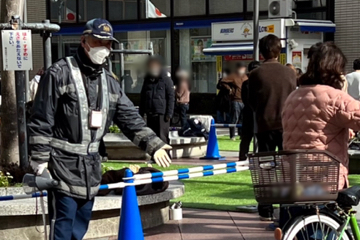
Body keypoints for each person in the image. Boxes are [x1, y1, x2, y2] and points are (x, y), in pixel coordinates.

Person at [28, 18, 172, 240]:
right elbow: (41, 119)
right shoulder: (59, 73)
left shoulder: (110, 82)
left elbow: (129, 118)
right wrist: (40, 162)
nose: (103, 49)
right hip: (62, 166)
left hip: (91, 170)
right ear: (84, 41)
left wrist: (154, 145)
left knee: (81, 225)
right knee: (63, 228)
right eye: (98, 42)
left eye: (108, 44)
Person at [280, 42, 360, 233]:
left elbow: (312, 127)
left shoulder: (293, 96)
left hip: (293, 177)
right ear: (336, 69)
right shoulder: (335, 98)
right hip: (324, 177)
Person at [248, 34, 297, 220]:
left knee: (266, 168)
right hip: (287, 126)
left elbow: (252, 101)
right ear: (279, 51)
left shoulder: (256, 74)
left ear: (261, 52)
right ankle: (286, 207)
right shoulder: (290, 73)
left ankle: (266, 209)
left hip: (264, 124)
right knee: (287, 168)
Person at [139, 56, 175, 144]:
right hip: (150, 112)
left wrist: (169, 113)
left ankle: (166, 156)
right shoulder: (147, 80)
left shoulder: (166, 79)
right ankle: (154, 156)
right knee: (152, 138)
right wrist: (141, 113)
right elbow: (143, 97)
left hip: (162, 114)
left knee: (162, 137)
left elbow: (171, 97)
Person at [239, 61, 260, 161]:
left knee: (247, 138)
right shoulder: (248, 84)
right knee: (248, 137)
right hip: (253, 113)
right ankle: (243, 156)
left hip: (249, 112)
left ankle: (243, 156)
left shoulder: (246, 83)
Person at [221, 62, 248, 140]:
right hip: (236, 100)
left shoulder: (245, 76)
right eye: (242, 68)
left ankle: (241, 134)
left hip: (244, 100)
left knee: (242, 119)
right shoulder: (233, 75)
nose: (243, 70)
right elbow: (223, 81)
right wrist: (229, 89)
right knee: (234, 119)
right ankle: (232, 135)